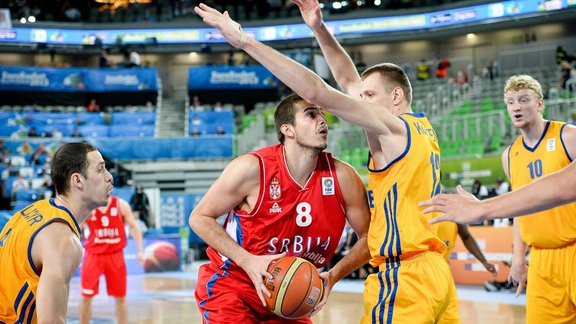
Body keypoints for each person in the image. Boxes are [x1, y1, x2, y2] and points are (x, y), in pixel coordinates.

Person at [194, 2, 457, 322]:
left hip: (407, 273)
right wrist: (318, 27)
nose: (358, 104)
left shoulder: (391, 129)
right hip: (436, 272)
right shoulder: (421, 130)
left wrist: (246, 42)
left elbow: (319, 92)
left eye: (369, 97)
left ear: (396, 97)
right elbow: (348, 81)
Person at [188, 93, 372, 323]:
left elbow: (370, 237)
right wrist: (247, 260)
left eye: (323, 115)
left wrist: (334, 275)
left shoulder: (343, 177)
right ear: (288, 129)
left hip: (288, 292)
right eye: (311, 115)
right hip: (234, 284)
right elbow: (199, 217)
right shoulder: (252, 169)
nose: (323, 120)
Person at [423, 75, 576, 323]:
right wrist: (518, 258)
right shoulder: (510, 155)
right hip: (541, 257)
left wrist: (481, 208)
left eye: (523, 100)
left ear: (539, 104)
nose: (516, 106)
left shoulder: (567, 136)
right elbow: (521, 209)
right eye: (510, 102)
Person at [0, 142, 113, 323]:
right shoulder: (63, 241)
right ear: (77, 180)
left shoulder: (32, 211)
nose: (109, 177)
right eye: (100, 170)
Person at [79, 195, 144, 324]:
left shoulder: (121, 205)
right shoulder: (88, 206)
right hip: (93, 255)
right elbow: (75, 228)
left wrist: (140, 251)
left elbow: (134, 227)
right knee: (86, 296)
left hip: (115, 255)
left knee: (120, 297)